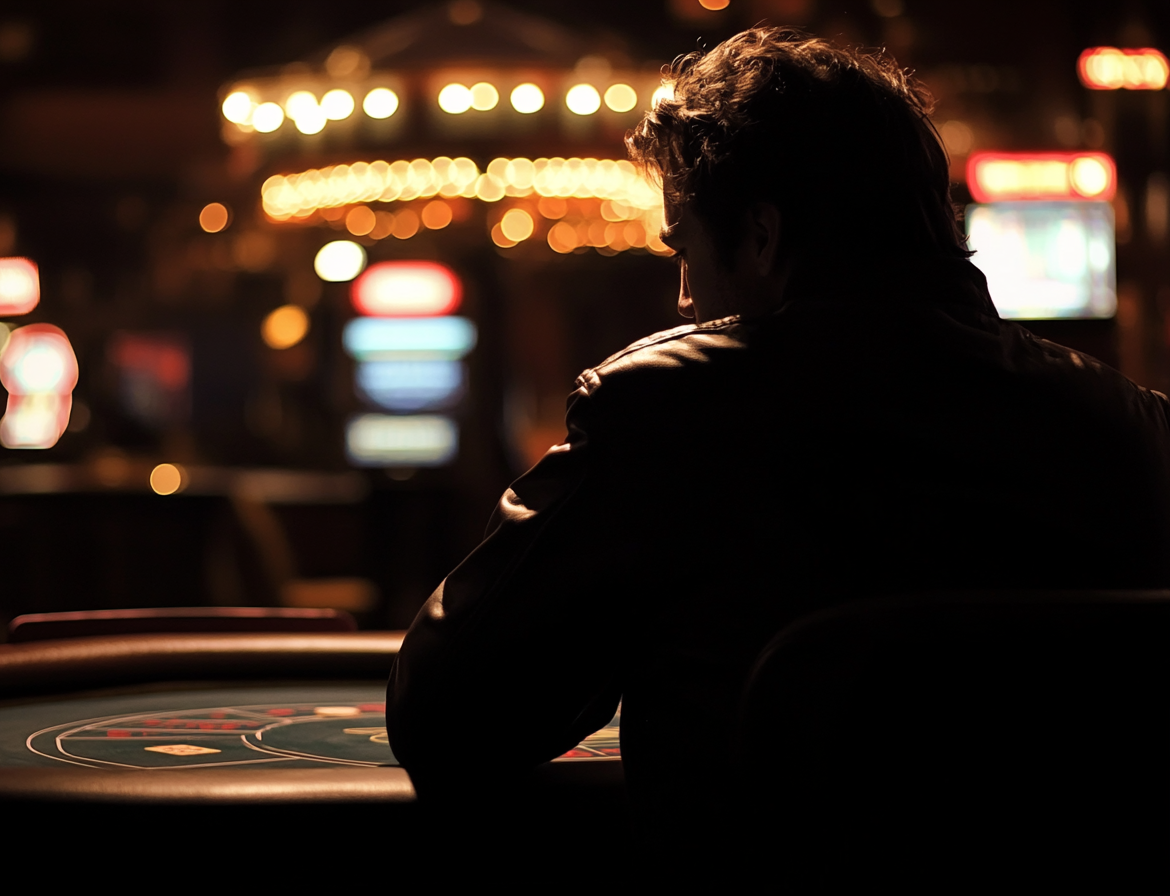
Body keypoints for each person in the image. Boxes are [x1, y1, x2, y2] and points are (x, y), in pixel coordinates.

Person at [385, 26, 1170, 862]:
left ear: (761, 235)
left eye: (685, 248)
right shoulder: (1134, 428)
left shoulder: (665, 410)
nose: (686, 299)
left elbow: (447, 715)